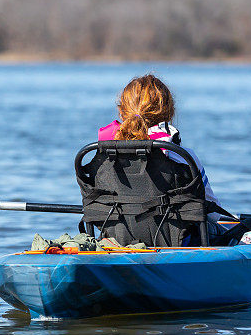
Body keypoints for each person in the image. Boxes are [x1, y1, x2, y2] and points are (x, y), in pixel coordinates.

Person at [98, 74, 228, 244]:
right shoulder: (182, 157)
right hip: (178, 243)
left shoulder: (102, 157)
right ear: (169, 112)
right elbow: (212, 214)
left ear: (121, 111)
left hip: (116, 242)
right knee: (238, 233)